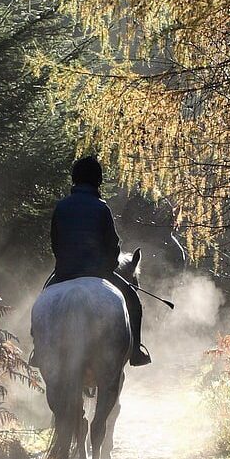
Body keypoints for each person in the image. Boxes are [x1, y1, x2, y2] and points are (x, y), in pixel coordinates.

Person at [46, 156, 151, 366]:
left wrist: (65, 262)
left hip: (65, 272)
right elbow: (112, 244)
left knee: (43, 300)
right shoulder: (102, 208)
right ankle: (136, 351)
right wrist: (109, 265)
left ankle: (39, 351)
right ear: (98, 181)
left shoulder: (62, 206)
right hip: (98, 272)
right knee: (134, 301)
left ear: (74, 178)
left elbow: (55, 241)